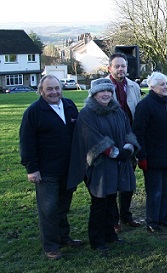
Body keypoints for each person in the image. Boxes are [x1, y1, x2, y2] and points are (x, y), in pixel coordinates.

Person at [68, 78, 139, 252]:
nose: (106, 94)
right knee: (99, 202)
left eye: (109, 91)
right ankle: (97, 240)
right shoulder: (87, 113)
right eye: (102, 91)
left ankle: (110, 235)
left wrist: (128, 147)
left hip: (118, 163)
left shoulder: (117, 110)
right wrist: (113, 151)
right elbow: (90, 137)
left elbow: (127, 130)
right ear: (94, 94)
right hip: (100, 165)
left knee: (111, 200)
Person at [19, 75, 83, 260]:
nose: (54, 92)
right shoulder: (34, 112)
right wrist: (31, 169)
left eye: (57, 88)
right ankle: (51, 247)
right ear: (41, 91)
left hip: (68, 168)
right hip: (46, 171)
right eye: (49, 89)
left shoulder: (70, 105)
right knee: (48, 209)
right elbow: (26, 142)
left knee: (63, 206)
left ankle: (63, 237)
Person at [133, 72, 167, 232]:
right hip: (152, 156)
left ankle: (163, 218)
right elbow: (138, 133)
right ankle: (152, 221)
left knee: (166, 190)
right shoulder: (145, 105)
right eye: (161, 84)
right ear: (152, 87)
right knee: (155, 191)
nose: (165, 86)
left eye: (166, 83)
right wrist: (142, 156)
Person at [106, 52, 142, 231]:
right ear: (110, 68)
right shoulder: (102, 86)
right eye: (117, 66)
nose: (121, 69)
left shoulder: (134, 86)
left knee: (128, 181)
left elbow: (138, 113)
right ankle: (113, 220)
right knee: (113, 182)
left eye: (123, 66)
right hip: (111, 141)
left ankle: (126, 215)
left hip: (130, 140)